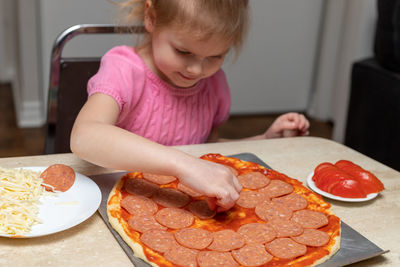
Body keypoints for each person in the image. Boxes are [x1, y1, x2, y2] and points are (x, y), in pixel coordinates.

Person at [70, 0, 309, 212]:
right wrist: (184, 166)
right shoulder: (123, 71)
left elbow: (206, 148)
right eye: (183, 51)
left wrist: (265, 140)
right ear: (151, 18)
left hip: (183, 208)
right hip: (118, 203)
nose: (196, 70)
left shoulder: (213, 84)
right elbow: (85, 136)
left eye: (216, 56)